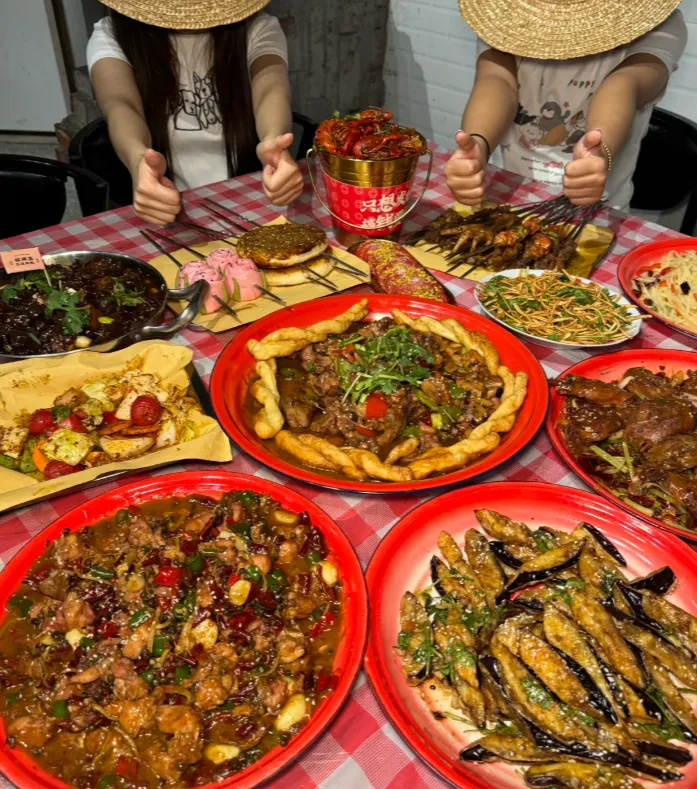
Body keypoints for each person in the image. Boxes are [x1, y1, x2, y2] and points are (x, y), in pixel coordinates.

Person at [445, 0, 686, 210]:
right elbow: (496, 82)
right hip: (510, 193)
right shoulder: (502, 18)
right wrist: (478, 145)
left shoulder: (658, 26)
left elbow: (623, 86)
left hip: (597, 208)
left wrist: (599, 152)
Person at [87, 0, 304, 225]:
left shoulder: (257, 27)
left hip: (246, 198)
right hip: (165, 203)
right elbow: (121, 105)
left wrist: (272, 139)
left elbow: (271, 88)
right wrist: (138, 159)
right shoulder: (110, 35)